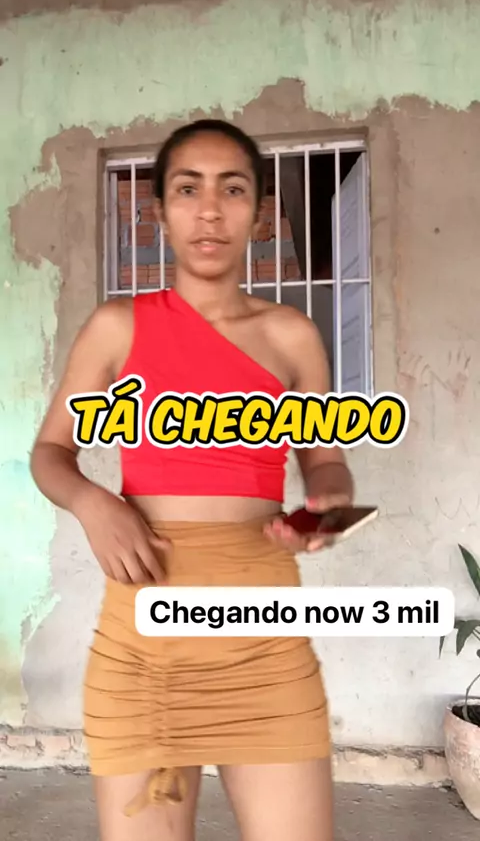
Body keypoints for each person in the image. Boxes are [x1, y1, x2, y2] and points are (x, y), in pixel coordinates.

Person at [30, 119, 354, 841]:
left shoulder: (292, 335)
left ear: (259, 212)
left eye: (231, 190)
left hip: (266, 650)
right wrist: (92, 503)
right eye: (188, 189)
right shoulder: (117, 326)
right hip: (143, 652)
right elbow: (50, 453)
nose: (209, 210)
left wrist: (327, 502)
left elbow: (323, 460)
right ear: (160, 210)